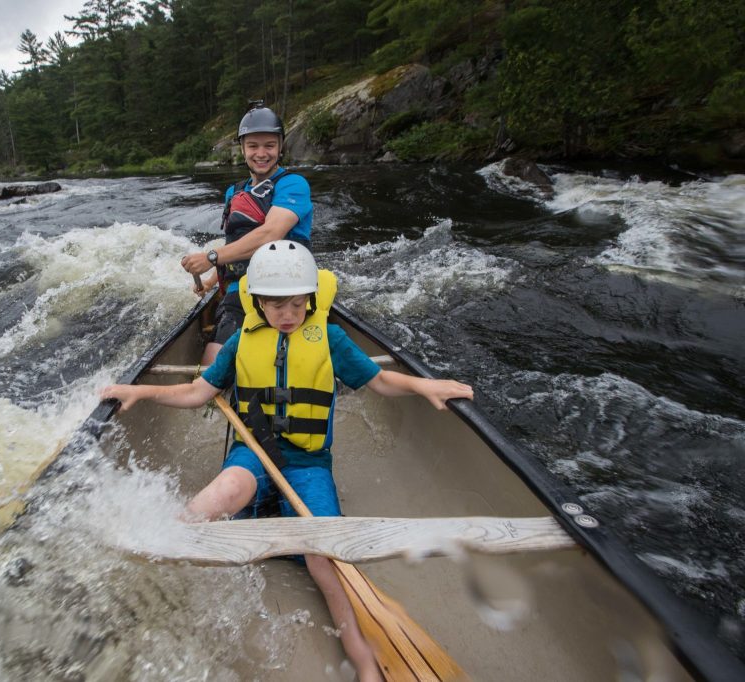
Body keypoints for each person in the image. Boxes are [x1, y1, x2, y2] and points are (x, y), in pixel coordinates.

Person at [104, 241, 474, 681]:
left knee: (324, 555)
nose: (288, 314)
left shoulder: (330, 339)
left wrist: (425, 386)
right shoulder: (241, 340)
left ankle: (363, 660)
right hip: (253, 452)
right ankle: (157, 580)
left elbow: (380, 382)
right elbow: (197, 392)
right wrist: (140, 391)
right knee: (220, 494)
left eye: (297, 304)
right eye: (277, 305)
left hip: (308, 463)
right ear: (258, 302)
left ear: (310, 299)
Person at [181, 101, 313, 364]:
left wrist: (210, 257)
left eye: (269, 145)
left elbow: (270, 234)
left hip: (288, 287)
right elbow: (236, 243)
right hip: (241, 289)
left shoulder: (294, 184)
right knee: (213, 357)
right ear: (242, 148)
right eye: (253, 146)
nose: (261, 153)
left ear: (281, 147)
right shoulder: (234, 192)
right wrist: (211, 282)